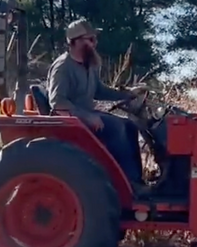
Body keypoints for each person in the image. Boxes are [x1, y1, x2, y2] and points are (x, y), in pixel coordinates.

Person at [47, 18, 147, 190]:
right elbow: (57, 102)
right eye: (91, 39)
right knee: (116, 127)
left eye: (95, 39)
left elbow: (99, 90)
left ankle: (136, 180)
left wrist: (127, 95)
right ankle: (125, 184)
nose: (95, 43)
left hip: (87, 116)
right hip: (72, 120)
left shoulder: (89, 65)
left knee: (130, 126)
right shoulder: (63, 67)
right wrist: (87, 116)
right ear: (75, 41)